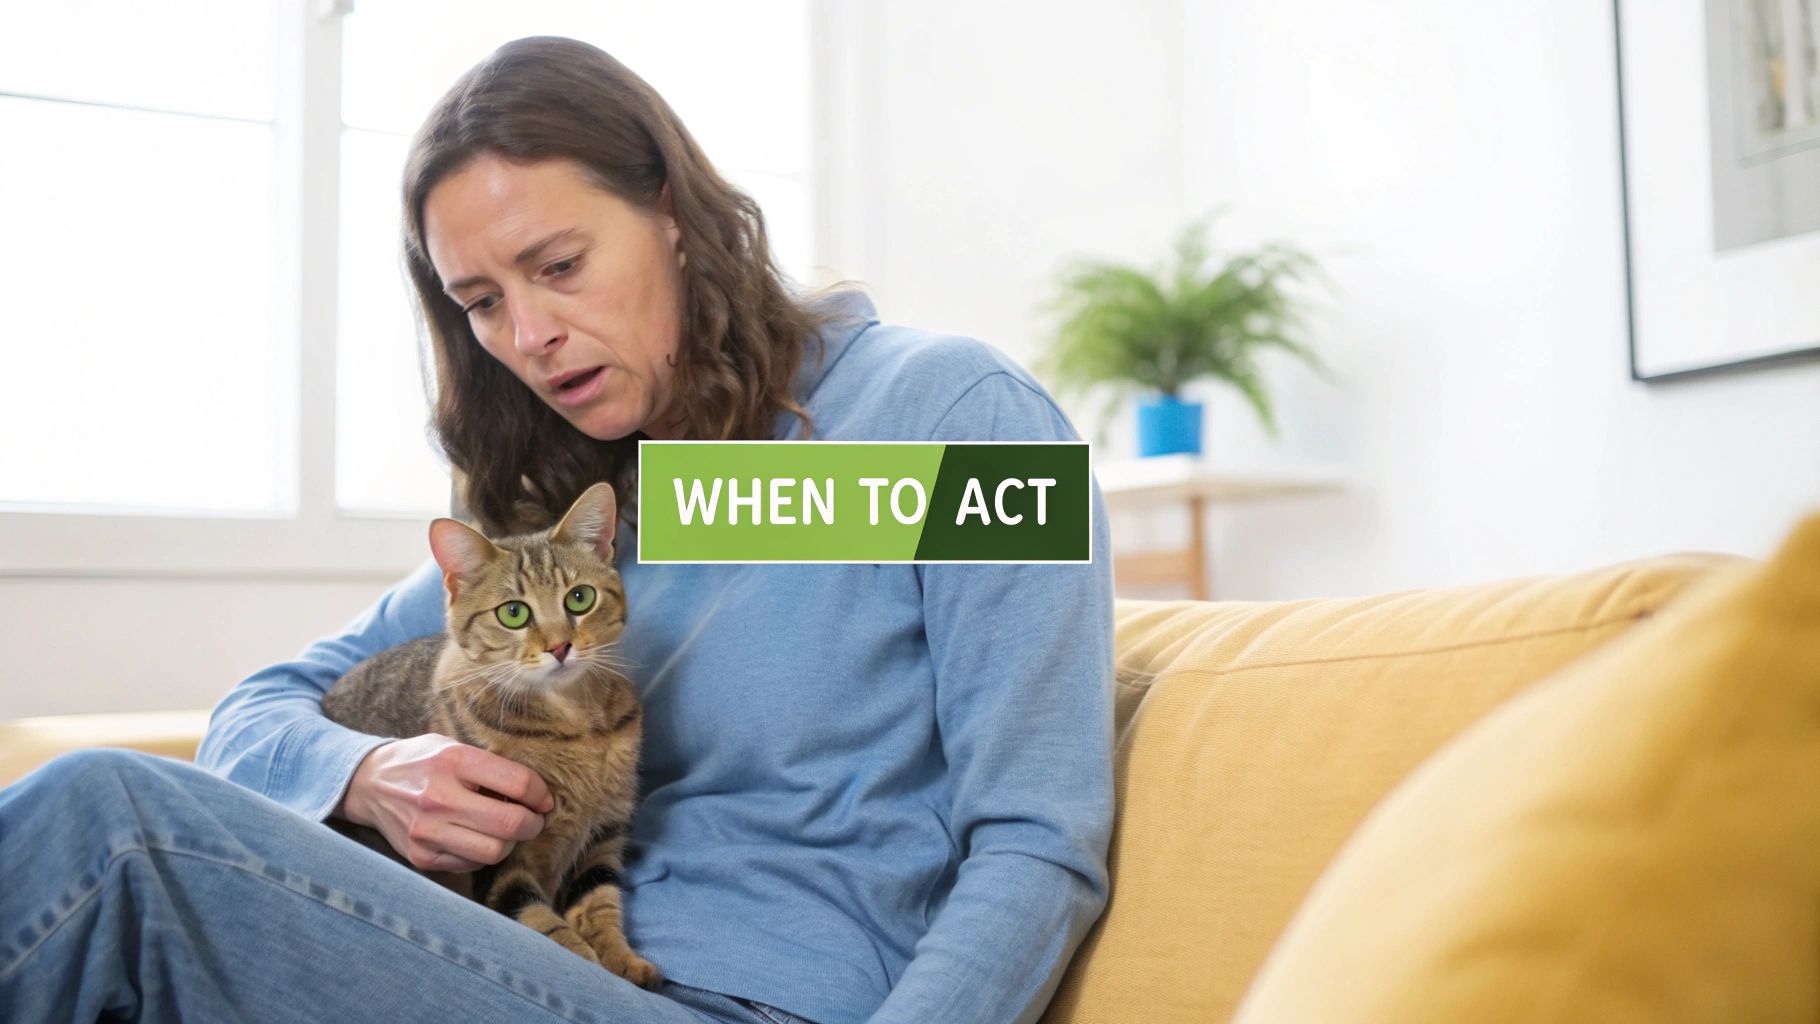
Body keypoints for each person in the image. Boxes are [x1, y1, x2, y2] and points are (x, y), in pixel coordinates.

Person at [0, 35, 1113, 1024]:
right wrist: (369, 769)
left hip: (746, 994)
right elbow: (252, 715)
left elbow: (1036, 844)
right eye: (481, 302)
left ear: (673, 218)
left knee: (110, 824)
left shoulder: (947, 420)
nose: (528, 334)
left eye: (559, 266)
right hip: (525, 958)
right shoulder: (598, 506)